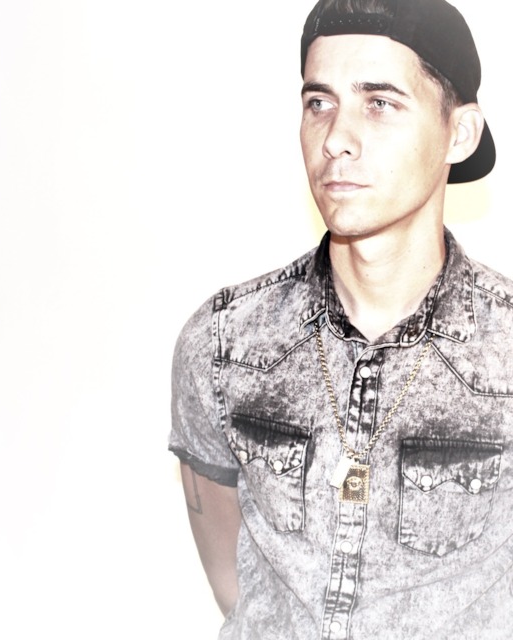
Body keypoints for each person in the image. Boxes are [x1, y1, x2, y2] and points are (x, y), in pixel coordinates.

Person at [169, 0, 513, 638]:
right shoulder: (222, 344)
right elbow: (238, 587)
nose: (335, 138)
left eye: (379, 102)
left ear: (460, 134)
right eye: (318, 102)